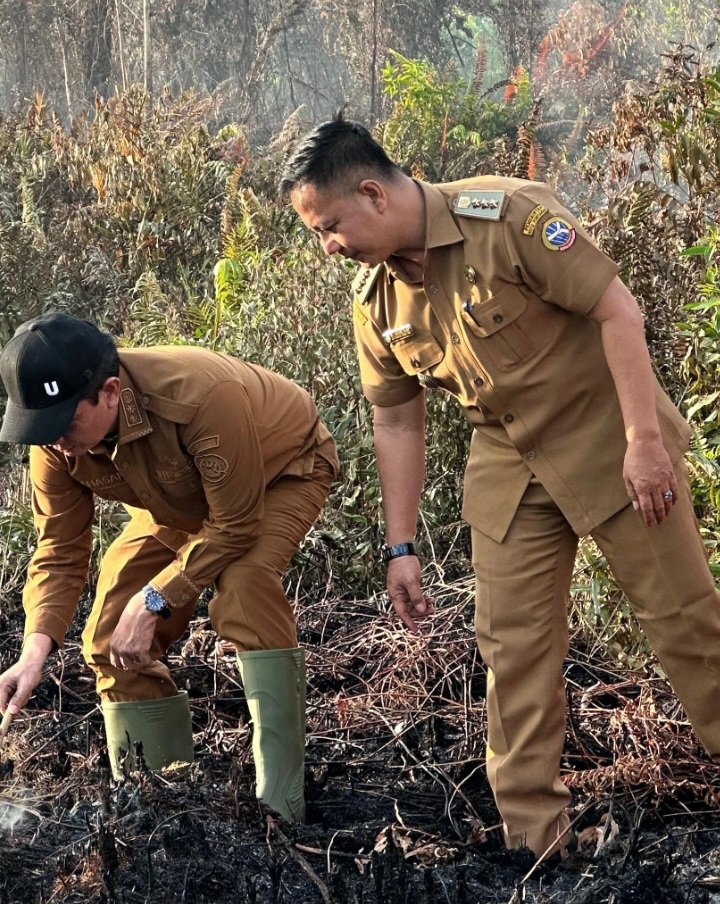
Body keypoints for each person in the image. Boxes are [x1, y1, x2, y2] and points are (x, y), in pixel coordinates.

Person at [279, 118, 720, 857]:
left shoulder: (508, 215)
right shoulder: (375, 301)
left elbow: (618, 311)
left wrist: (646, 442)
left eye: (329, 227)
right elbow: (395, 421)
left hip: (609, 443)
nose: (328, 245)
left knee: (683, 621)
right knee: (512, 653)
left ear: (370, 193)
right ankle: (537, 837)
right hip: (511, 472)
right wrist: (400, 544)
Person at [0, 312, 338, 822]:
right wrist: (33, 653)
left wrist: (156, 598)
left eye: (66, 422)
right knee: (109, 635)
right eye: (41, 428)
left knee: (243, 587)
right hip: (181, 501)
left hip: (281, 473)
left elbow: (237, 526)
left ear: (110, 392)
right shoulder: (55, 440)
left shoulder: (200, 396)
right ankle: (160, 809)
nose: (55, 442)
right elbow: (59, 552)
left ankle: (283, 805)